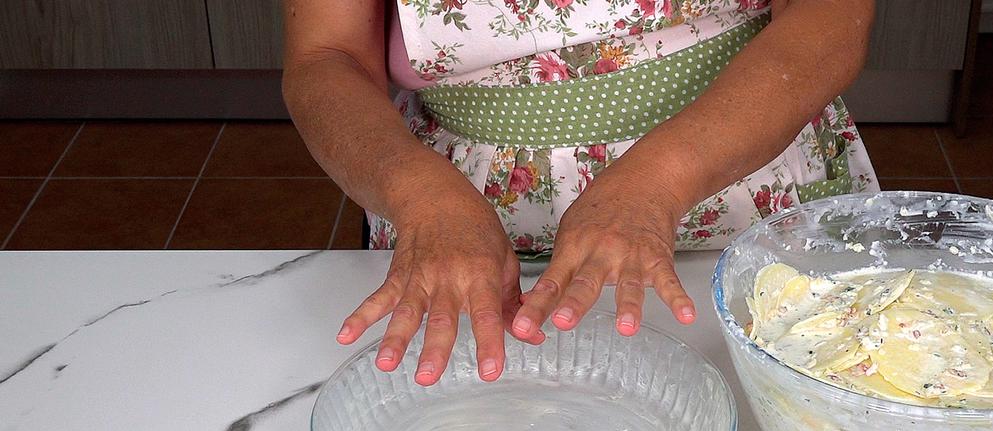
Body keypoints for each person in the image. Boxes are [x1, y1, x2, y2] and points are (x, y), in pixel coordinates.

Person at [283, 0, 878, 386]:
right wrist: (421, 200)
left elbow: (829, 20)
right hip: (451, 211)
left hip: (744, 169)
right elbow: (325, 55)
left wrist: (659, 180)